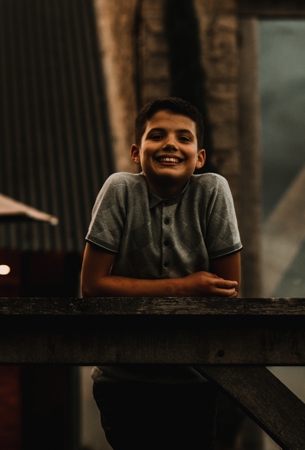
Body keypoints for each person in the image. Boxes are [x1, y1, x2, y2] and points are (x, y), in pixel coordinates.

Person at [80, 97, 242, 450]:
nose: (170, 144)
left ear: (199, 157)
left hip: (196, 378)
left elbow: (228, 289)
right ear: (137, 152)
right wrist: (184, 287)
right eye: (158, 135)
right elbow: (92, 286)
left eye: (184, 138)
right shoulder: (120, 189)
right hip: (122, 377)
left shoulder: (212, 190)